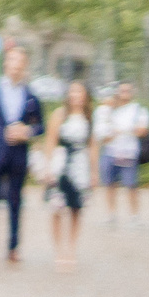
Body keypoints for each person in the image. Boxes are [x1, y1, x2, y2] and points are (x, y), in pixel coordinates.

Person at [0, 45, 42, 266]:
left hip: (18, 155)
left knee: (15, 201)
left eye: (20, 64)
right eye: (13, 63)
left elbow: (40, 126)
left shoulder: (31, 95)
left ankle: (13, 246)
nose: (16, 68)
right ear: (6, 64)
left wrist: (27, 132)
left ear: (24, 67)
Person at [45, 80, 93, 271]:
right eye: (72, 92)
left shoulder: (89, 117)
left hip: (80, 166)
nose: (76, 96)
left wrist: (94, 172)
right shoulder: (60, 115)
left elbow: (93, 146)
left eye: (79, 92)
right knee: (57, 209)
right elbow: (50, 141)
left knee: (76, 209)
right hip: (61, 164)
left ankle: (71, 249)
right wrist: (48, 167)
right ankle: (58, 251)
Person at [94, 80, 149, 224]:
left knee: (131, 185)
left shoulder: (138, 110)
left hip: (129, 153)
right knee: (109, 184)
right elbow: (103, 134)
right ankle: (111, 214)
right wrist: (127, 130)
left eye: (127, 90)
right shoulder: (109, 110)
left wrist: (120, 131)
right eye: (122, 90)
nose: (124, 93)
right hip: (111, 151)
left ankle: (134, 215)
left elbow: (142, 130)